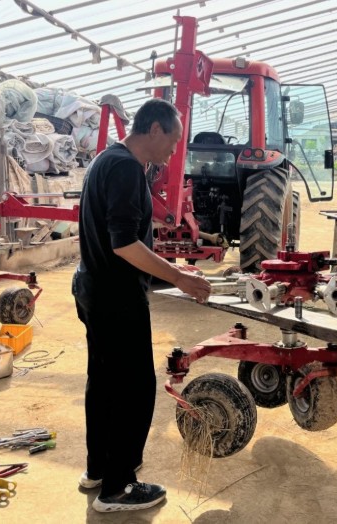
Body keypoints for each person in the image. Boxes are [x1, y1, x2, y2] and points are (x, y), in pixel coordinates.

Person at [72, 98, 211, 512]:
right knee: (133, 389)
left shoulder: (106, 159)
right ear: (154, 129)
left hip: (94, 287)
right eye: (173, 139)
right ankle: (118, 488)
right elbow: (124, 244)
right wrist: (180, 278)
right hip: (116, 297)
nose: (174, 149)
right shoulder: (127, 168)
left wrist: (169, 268)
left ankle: (99, 469)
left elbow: (120, 236)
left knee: (103, 383)